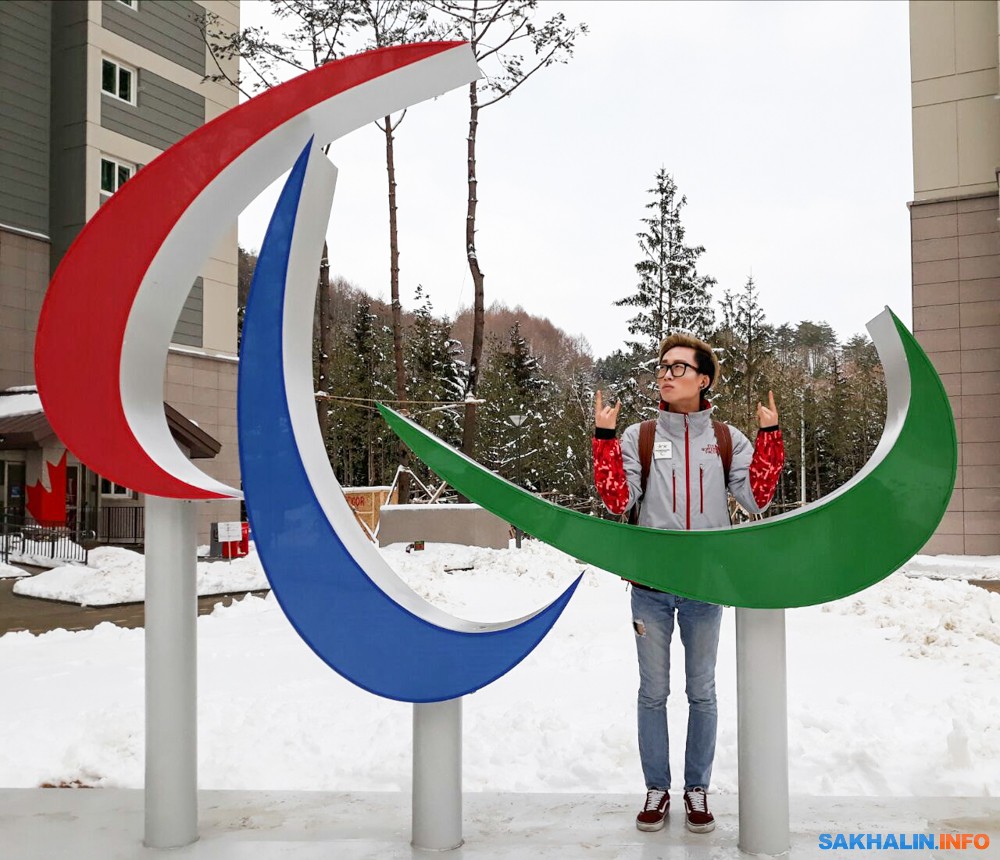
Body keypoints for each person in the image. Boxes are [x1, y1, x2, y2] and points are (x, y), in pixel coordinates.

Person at [592, 333, 784, 834]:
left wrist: (770, 437)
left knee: (702, 692)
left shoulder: (726, 439)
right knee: (653, 693)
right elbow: (617, 502)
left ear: (703, 379)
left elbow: (756, 498)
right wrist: (604, 439)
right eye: (662, 366)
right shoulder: (640, 436)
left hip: (705, 587)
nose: (666, 373)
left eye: (679, 367)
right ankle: (657, 788)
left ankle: (696, 788)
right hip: (650, 588)